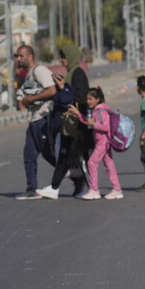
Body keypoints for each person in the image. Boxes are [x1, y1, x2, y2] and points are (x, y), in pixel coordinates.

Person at [37, 44, 91, 199]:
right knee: (71, 156)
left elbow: (80, 97)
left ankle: (55, 187)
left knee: (67, 154)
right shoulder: (71, 73)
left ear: (71, 58)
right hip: (71, 122)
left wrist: (64, 90)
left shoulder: (78, 74)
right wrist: (63, 88)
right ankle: (82, 184)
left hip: (76, 122)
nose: (61, 60)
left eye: (63, 57)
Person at [14, 45, 57, 200]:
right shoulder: (28, 75)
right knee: (29, 156)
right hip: (34, 120)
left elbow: (52, 90)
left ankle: (75, 174)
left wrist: (31, 99)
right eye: (17, 56)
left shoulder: (39, 71)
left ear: (29, 56)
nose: (18, 59)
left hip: (43, 119)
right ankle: (32, 188)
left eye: (20, 56)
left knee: (49, 155)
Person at [68, 87, 123, 200]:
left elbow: (106, 127)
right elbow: (88, 122)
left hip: (103, 141)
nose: (88, 101)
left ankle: (94, 190)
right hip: (101, 141)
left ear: (97, 99)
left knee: (92, 163)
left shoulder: (101, 111)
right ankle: (117, 189)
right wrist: (78, 113)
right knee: (109, 164)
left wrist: (94, 124)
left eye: (90, 99)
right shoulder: (95, 111)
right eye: (87, 99)